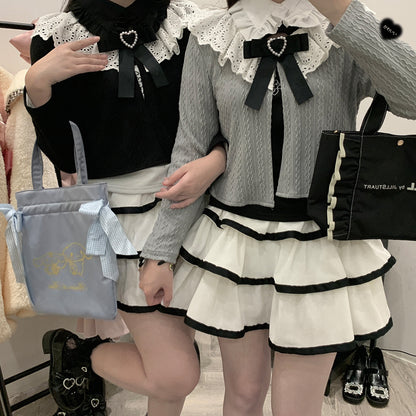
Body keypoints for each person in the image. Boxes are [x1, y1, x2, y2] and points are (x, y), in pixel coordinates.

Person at [139, 0, 416, 415]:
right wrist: (160, 251)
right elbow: (190, 150)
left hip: (320, 247)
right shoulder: (210, 34)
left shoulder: (344, 28)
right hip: (237, 244)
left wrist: (341, 11)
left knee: (296, 406)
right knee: (244, 395)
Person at [24, 1, 227, 415]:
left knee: (171, 362)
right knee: (175, 373)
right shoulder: (58, 33)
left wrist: (218, 159)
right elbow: (65, 156)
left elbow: (223, 115)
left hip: (194, 207)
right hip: (120, 220)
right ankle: (81, 355)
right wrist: (37, 86)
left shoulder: (190, 23)